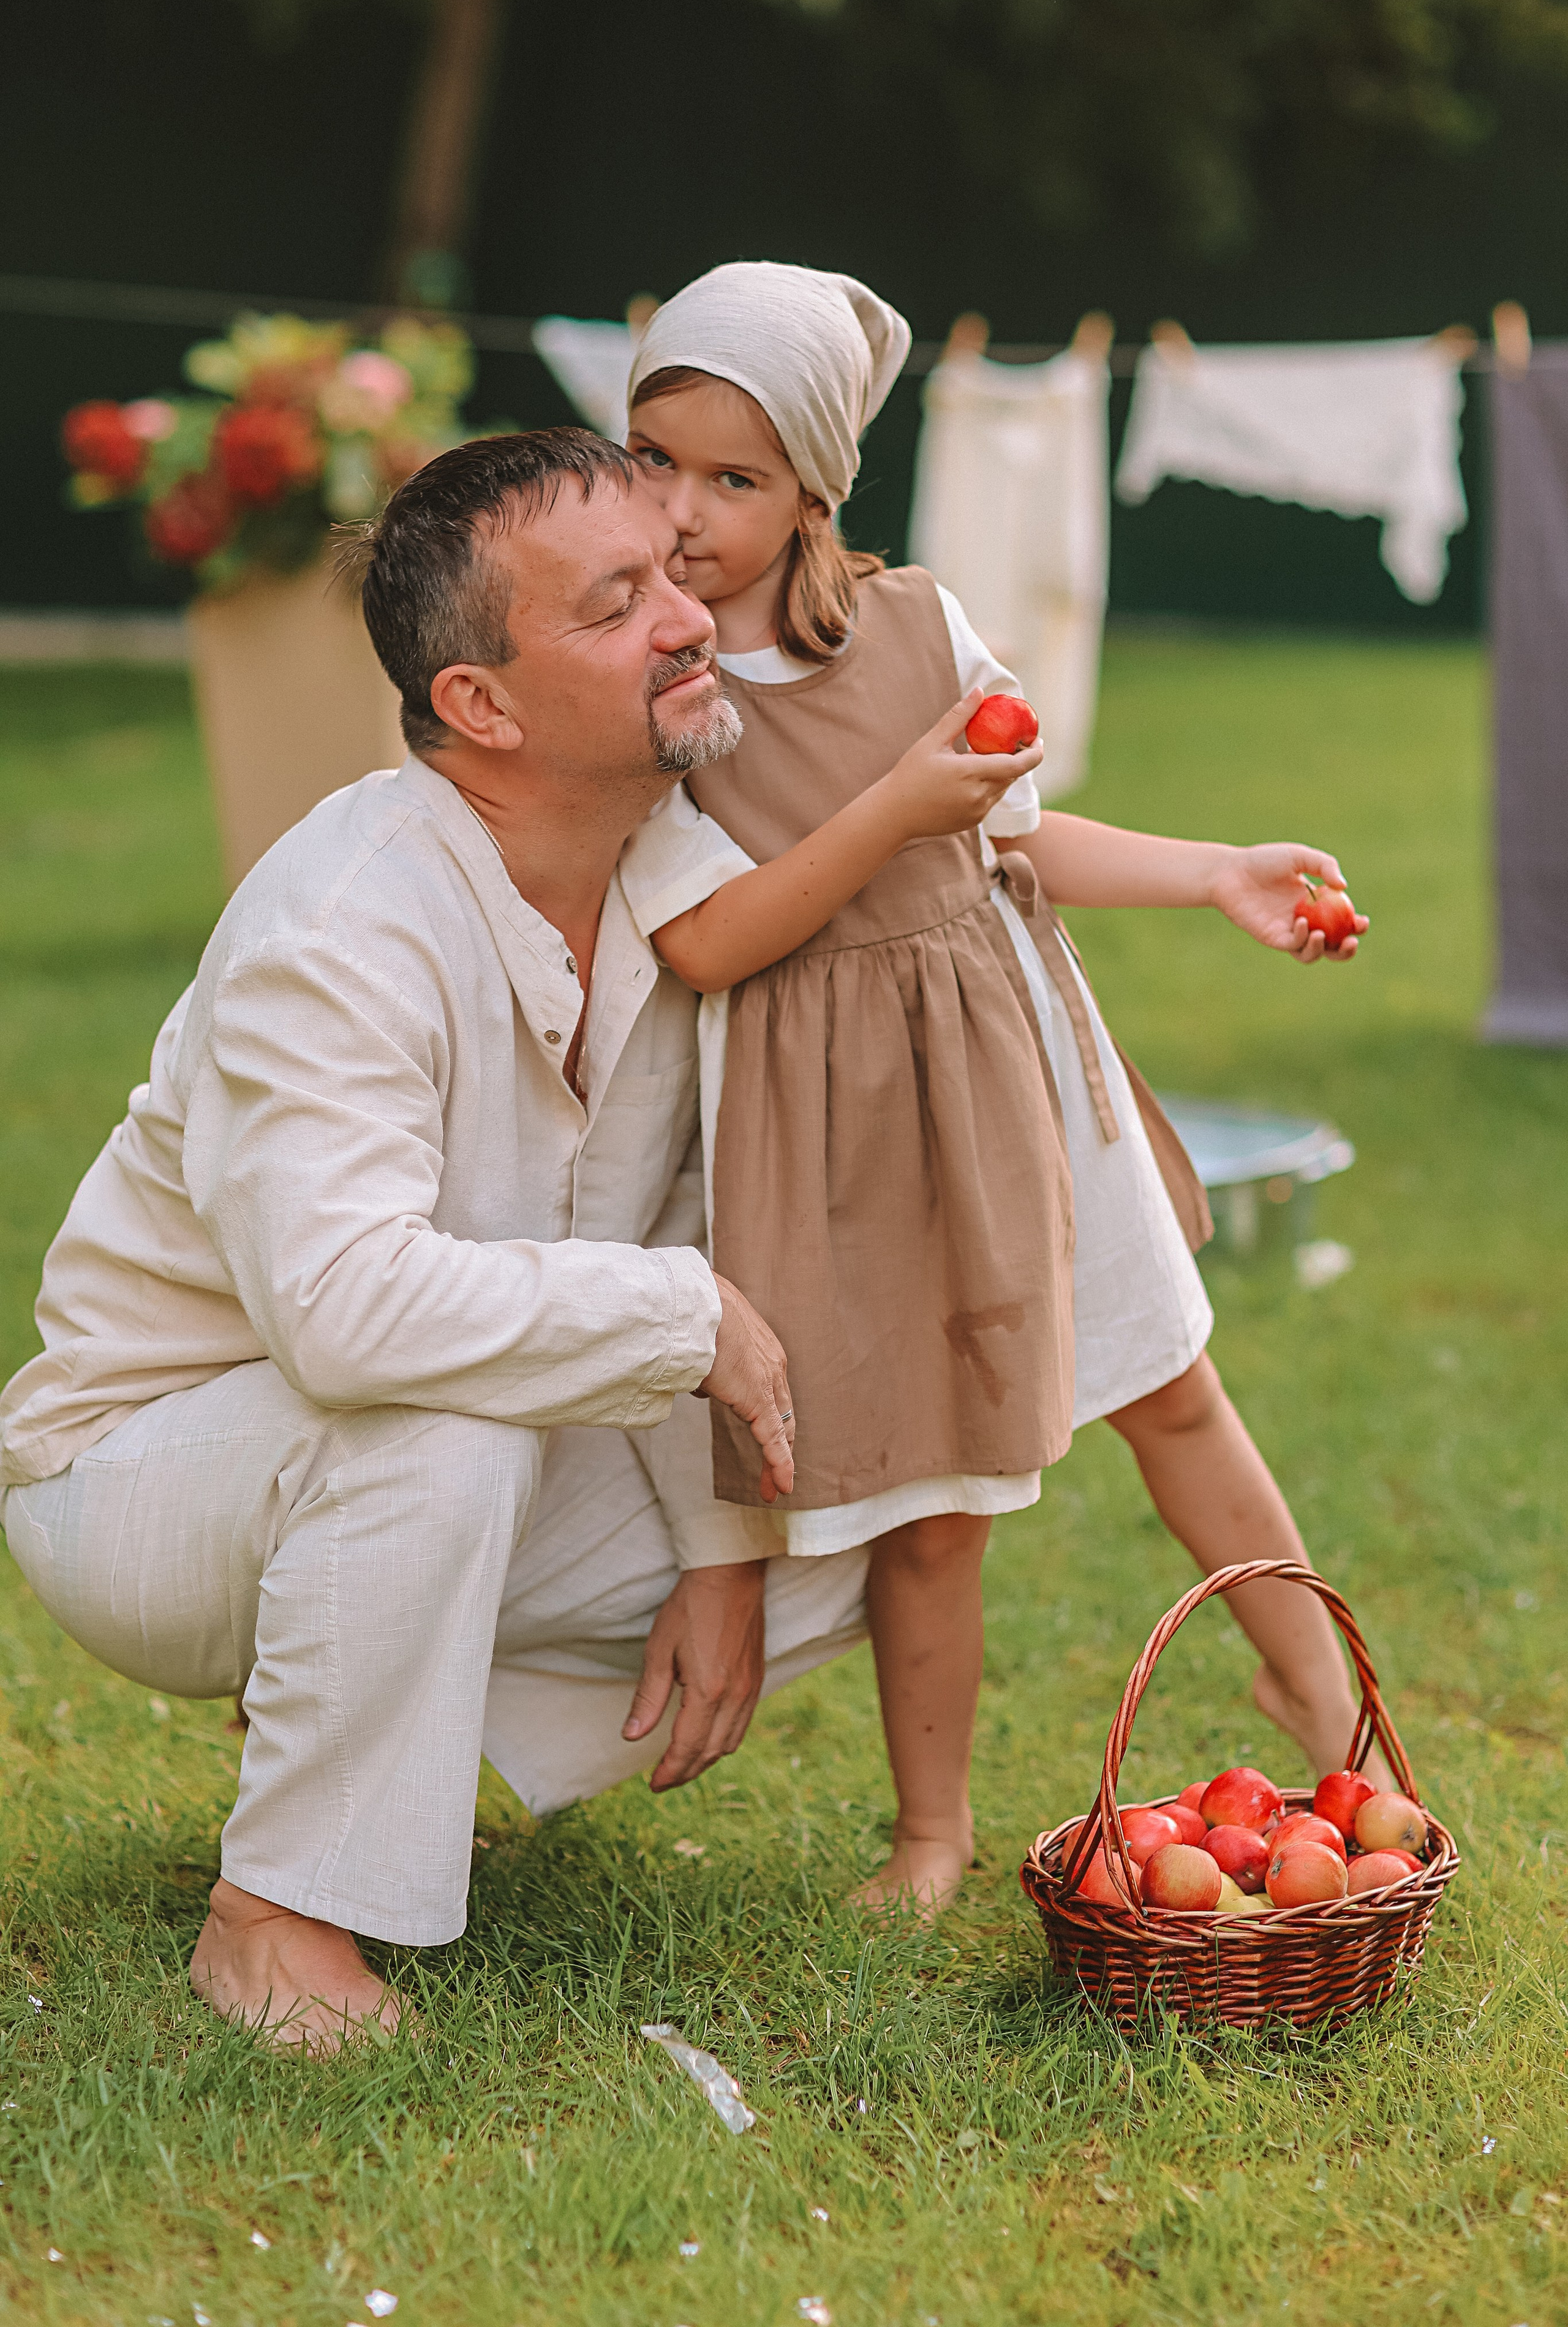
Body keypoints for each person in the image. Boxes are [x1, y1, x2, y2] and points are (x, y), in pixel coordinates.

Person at [0, 428, 1023, 2048]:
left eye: (675, 577)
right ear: (478, 706)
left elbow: (681, 1203)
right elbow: (342, 1317)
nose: (685, 619)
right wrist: (684, 1318)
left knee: (836, 1499)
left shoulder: (666, 875)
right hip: (137, 1478)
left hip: (373, 1436)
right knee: (444, 1413)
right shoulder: (341, 926)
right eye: (614, 607)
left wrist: (715, 1547)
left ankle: (358, 1745)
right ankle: (273, 1920)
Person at [609, 261, 1376, 1917]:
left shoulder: (917, 625)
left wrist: (1217, 870)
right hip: (841, 1135)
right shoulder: (657, 694)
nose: (680, 512)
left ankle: (1321, 1695)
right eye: (653, 459)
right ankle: (932, 1831)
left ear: (812, 488)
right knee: (933, 1505)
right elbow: (713, 942)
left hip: (1014, 1075)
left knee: (1174, 1383)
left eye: (731, 480)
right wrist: (892, 804)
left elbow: (1018, 836)